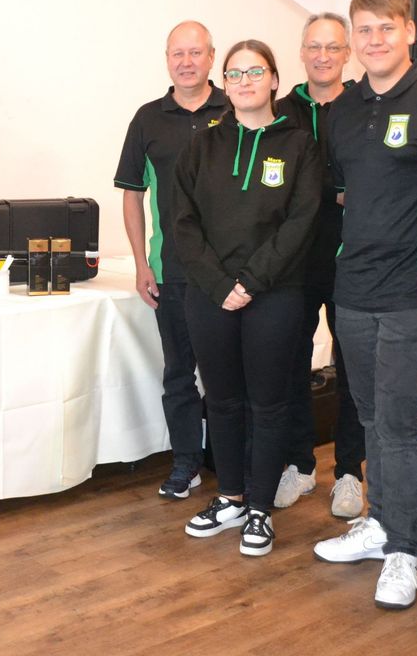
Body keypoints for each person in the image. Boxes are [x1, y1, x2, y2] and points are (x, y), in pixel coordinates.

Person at [310, 0, 417, 610]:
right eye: (363, 31)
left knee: (399, 423)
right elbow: (347, 192)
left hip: (415, 291)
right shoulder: (344, 111)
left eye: (385, 28)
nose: (374, 41)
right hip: (355, 291)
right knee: (372, 418)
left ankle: (405, 551)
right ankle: (378, 526)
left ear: (409, 32)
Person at [175, 39, 321, 557]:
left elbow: (301, 224)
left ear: (275, 80)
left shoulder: (301, 145)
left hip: (275, 294)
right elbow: (183, 225)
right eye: (234, 74)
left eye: (254, 72)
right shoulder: (202, 146)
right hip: (209, 296)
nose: (243, 82)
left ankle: (260, 507)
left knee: (269, 402)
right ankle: (231, 497)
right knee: (223, 401)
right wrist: (220, 287)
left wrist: (250, 283)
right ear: (225, 83)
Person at [114, 20, 227, 498]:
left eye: (195, 53)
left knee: (227, 377)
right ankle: (186, 464)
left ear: (211, 56)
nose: (186, 62)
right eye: (177, 54)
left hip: (230, 274)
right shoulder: (147, 119)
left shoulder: (238, 108)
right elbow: (132, 194)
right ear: (167, 59)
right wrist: (143, 263)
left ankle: (231, 464)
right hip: (174, 271)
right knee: (179, 374)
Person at [272, 12, 366, 519]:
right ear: (302, 52)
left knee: (353, 368)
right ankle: (299, 463)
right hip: (292, 261)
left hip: (352, 258)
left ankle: (349, 471)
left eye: (333, 47)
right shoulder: (280, 110)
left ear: (346, 52)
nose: (323, 55)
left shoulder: (365, 105)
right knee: (291, 362)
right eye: (314, 47)